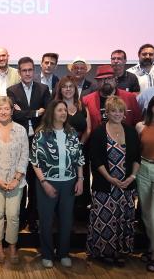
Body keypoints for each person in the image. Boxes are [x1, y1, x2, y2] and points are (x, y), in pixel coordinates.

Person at [86, 96, 141, 266]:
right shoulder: (98, 132)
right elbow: (95, 159)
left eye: (120, 111)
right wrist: (110, 179)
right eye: (113, 111)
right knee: (105, 219)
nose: (117, 114)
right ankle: (104, 252)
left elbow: (137, 158)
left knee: (123, 219)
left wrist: (131, 177)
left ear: (124, 113)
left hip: (126, 186)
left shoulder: (131, 131)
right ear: (107, 113)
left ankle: (119, 251)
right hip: (105, 185)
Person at [31, 100, 84, 268]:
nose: (64, 113)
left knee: (66, 221)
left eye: (65, 110)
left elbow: (79, 158)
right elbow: (34, 161)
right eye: (60, 110)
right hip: (47, 183)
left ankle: (63, 253)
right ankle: (47, 253)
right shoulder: (41, 133)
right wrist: (44, 182)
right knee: (46, 221)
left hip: (68, 183)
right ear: (52, 112)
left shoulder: (72, 133)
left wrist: (80, 179)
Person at [0, 97, 28, 264]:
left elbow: (24, 156)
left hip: (16, 182)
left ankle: (13, 246)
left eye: (6, 109)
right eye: (0, 109)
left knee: (13, 215)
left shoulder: (21, 130)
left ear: (11, 110)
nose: (3, 112)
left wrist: (16, 178)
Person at [7, 56, 51, 232]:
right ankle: (20, 218)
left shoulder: (43, 89)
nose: (27, 73)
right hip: (18, 141)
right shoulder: (12, 90)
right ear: (19, 72)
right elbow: (13, 115)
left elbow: (47, 113)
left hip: (37, 141)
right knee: (19, 180)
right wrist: (34, 112)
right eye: (24, 70)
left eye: (30, 70)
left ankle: (33, 218)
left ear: (34, 71)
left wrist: (24, 112)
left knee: (35, 182)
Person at [55, 76, 91, 218]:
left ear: (75, 89)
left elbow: (88, 129)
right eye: (65, 86)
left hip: (81, 150)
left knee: (81, 181)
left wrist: (80, 145)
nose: (68, 89)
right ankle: (62, 216)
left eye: (71, 86)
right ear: (60, 89)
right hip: (61, 153)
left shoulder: (82, 106)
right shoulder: (56, 107)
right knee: (65, 184)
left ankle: (80, 215)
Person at [83, 65, 141, 131]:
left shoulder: (130, 98)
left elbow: (137, 122)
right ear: (97, 81)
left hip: (125, 139)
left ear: (115, 79)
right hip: (97, 139)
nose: (106, 82)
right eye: (102, 79)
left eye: (109, 78)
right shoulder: (86, 101)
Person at [136, 95, 154, 272]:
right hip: (143, 168)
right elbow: (137, 150)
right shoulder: (141, 126)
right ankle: (151, 248)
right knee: (146, 214)